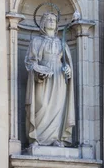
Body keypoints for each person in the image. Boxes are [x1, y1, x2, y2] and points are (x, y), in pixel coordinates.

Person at [25, 11, 75, 147]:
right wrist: (40, 71)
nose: (52, 21)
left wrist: (68, 70)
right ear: (43, 23)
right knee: (42, 105)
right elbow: (30, 62)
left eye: (54, 19)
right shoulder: (37, 41)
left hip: (59, 78)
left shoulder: (62, 42)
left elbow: (67, 63)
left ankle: (55, 138)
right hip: (43, 78)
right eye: (48, 19)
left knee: (57, 108)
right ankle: (36, 138)